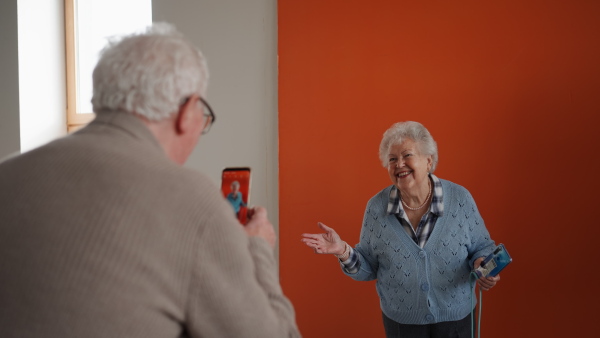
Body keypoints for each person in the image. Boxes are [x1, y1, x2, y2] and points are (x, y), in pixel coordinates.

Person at [0, 23, 300, 338]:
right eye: (203, 113)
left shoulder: (7, 174)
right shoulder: (194, 203)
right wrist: (257, 250)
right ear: (187, 111)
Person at [301, 121, 500, 338]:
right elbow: (368, 268)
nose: (399, 164)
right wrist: (343, 251)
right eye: (392, 159)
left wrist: (483, 266)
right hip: (402, 325)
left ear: (428, 160)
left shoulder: (460, 199)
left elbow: (482, 247)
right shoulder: (376, 208)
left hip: (456, 321)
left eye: (407, 155)